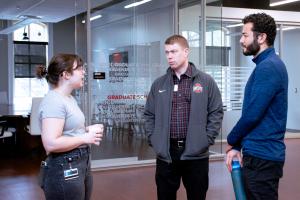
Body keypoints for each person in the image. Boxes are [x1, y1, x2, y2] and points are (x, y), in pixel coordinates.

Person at [144, 35, 223, 200]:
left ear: (186, 51)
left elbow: (216, 112)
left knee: (197, 196)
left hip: (196, 153)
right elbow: (149, 114)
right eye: (167, 52)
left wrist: (205, 139)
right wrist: (155, 139)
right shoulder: (159, 84)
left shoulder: (206, 82)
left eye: (174, 51)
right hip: (167, 153)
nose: (169, 56)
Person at [226, 13, 288, 200]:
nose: (241, 40)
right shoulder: (266, 65)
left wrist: (231, 139)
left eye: (245, 35)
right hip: (259, 154)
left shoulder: (268, 67)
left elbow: (253, 114)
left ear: (261, 37)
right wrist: (237, 145)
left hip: (263, 158)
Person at [36, 53, 103, 200]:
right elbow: (51, 143)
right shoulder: (53, 101)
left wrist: (86, 130)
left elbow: (68, 131)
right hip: (64, 166)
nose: (84, 72)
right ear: (65, 74)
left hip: (81, 163)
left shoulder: (69, 98)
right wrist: (86, 137)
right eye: (79, 68)